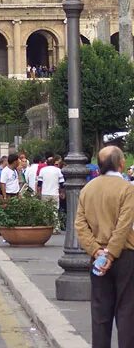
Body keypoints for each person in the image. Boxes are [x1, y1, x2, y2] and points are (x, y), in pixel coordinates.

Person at [75, 145, 134, 348]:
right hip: (125, 255)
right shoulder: (127, 189)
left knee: (100, 312)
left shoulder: (87, 189)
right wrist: (111, 253)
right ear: (121, 163)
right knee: (127, 311)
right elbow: (124, 225)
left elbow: (80, 225)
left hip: (97, 257)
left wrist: (97, 251)